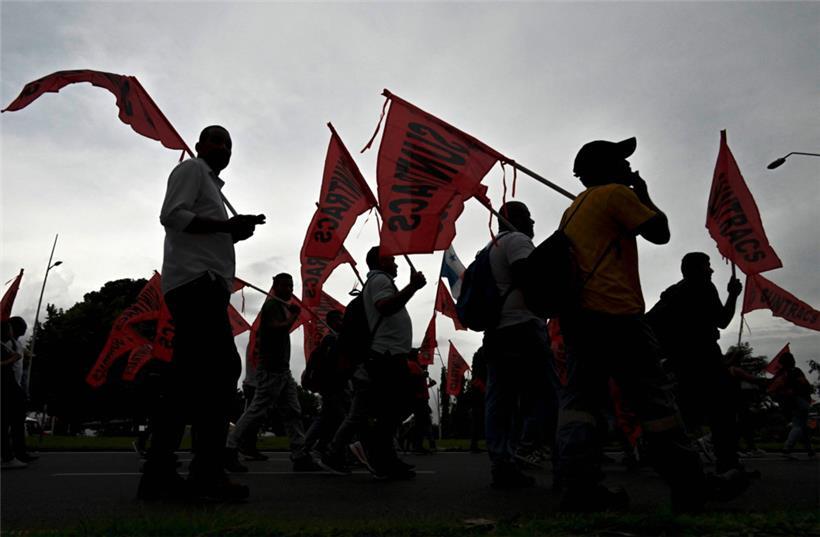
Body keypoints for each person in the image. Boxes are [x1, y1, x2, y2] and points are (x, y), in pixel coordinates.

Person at [555, 137, 713, 512]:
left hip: (581, 319)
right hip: (618, 314)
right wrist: (643, 193)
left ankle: (580, 488)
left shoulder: (574, 208)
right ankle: (690, 485)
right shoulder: (615, 194)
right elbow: (660, 232)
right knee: (654, 401)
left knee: (582, 405)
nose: (628, 166)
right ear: (604, 167)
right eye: (621, 160)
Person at [138, 125, 264, 502]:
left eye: (228, 142)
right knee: (220, 370)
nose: (223, 146)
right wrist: (227, 226)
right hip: (196, 284)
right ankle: (204, 473)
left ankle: (163, 471)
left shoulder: (212, 187)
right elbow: (172, 215)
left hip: (204, 285)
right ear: (198, 145)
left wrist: (232, 233)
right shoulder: (192, 170)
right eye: (215, 139)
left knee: (188, 380)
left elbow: (201, 227)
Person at [647, 252, 745, 475]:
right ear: (696, 269)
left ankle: (671, 459)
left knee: (686, 413)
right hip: (706, 358)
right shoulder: (704, 288)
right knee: (723, 411)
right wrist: (733, 295)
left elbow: (650, 323)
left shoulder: (672, 294)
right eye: (707, 266)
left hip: (682, 362)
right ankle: (727, 463)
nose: (711, 270)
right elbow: (722, 320)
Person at [482, 201, 558, 488]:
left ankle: (502, 463)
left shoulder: (489, 248)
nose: (533, 222)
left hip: (497, 332)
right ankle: (559, 457)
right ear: (514, 219)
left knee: (501, 401)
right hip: (523, 328)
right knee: (548, 395)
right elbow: (531, 279)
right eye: (528, 216)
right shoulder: (517, 240)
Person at [225, 273, 319, 472]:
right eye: (285, 286)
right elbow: (278, 328)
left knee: (292, 411)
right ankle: (230, 447)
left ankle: (299, 453)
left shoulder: (280, 307)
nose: (290, 290)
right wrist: (294, 315)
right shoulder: (272, 307)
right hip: (271, 369)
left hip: (281, 370)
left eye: (291, 286)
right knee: (257, 409)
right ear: (275, 286)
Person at [360, 246, 426, 478]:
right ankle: (378, 455)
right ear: (380, 261)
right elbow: (385, 307)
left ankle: (384, 456)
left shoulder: (380, 280)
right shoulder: (379, 280)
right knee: (394, 407)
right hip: (386, 355)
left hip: (390, 353)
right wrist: (413, 288)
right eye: (392, 259)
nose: (397, 263)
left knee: (392, 408)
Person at [303, 310, 351, 457]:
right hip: (332, 386)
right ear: (332, 322)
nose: (342, 323)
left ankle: (312, 448)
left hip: (334, 386)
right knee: (342, 418)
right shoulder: (330, 340)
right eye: (339, 320)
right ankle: (332, 450)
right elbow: (332, 366)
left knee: (327, 418)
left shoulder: (336, 339)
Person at [1, 317, 36, 469]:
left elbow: (22, 359)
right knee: (9, 422)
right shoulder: (6, 345)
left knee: (16, 423)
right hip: (8, 388)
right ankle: (10, 455)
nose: (23, 331)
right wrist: (13, 358)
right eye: (21, 327)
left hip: (15, 386)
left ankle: (19, 453)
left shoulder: (16, 344)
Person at [768, 352, 816, 460]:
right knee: (798, 425)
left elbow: (771, 388)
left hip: (788, 404)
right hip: (800, 401)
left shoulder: (780, 374)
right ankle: (787, 449)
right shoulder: (795, 371)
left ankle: (810, 450)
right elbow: (805, 384)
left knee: (802, 426)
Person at [406, 349, 437, 454]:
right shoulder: (412, 365)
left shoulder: (415, 365)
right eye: (417, 354)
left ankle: (418, 445)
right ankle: (417, 445)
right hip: (419, 399)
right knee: (421, 423)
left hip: (421, 398)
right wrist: (422, 376)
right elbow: (414, 382)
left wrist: (428, 384)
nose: (419, 355)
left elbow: (419, 384)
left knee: (423, 422)